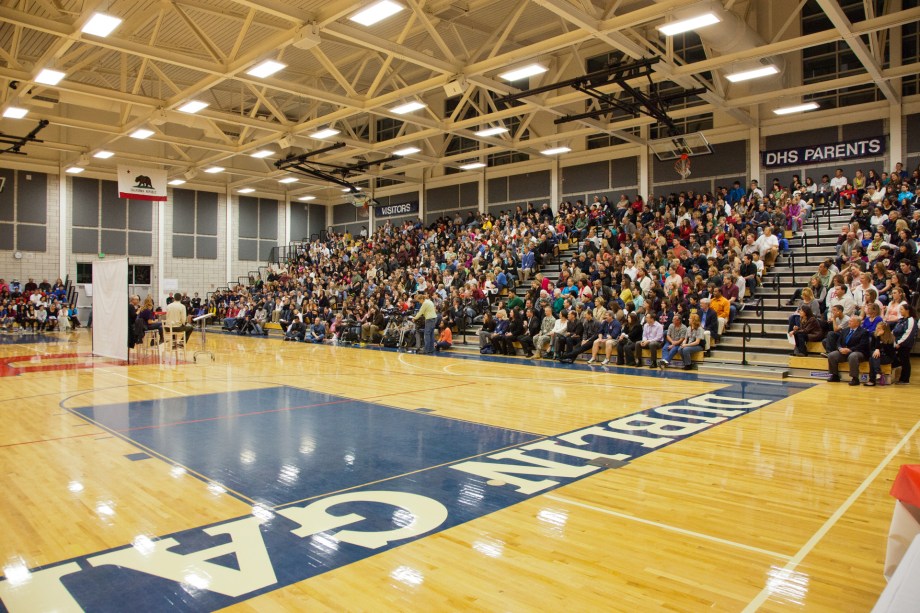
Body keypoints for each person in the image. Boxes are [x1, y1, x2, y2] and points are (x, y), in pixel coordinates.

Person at [826, 315, 871, 385]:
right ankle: (834, 376)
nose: (849, 322)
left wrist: (850, 349)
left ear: (857, 323)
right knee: (832, 355)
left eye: (851, 321)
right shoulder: (845, 330)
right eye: (849, 321)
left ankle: (855, 378)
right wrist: (840, 348)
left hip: (858, 352)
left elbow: (863, 345)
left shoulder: (863, 332)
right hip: (844, 351)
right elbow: (838, 342)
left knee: (853, 356)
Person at [891, 304, 917, 385]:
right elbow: (894, 331)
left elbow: (908, 333)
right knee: (897, 359)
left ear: (907, 310)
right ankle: (899, 377)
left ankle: (905, 379)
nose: (900, 311)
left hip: (905, 345)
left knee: (905, 361)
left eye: (902, 309)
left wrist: (900, 343)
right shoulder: (901, 320)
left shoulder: (911, 320)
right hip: (896, 343)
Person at [864, 322, 895, 386]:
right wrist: (878, 338)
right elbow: (871, 348)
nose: (877, 329)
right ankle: (877, 373)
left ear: (885, 330)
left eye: (879, 328)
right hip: (877, 357)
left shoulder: (890, 337)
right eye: (876, 327)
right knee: (872, 357)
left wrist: (878, 348)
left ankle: (872, 380)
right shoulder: (874, 335)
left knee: (872, 358)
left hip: (887, 357)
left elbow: (889, 351)